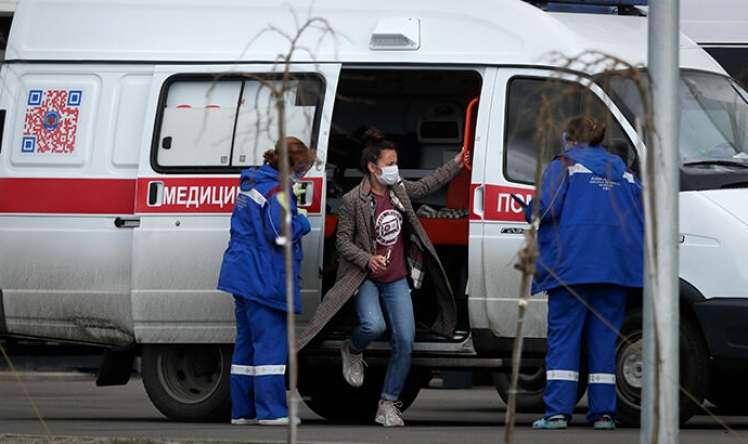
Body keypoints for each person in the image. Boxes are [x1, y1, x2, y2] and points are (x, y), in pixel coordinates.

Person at [297, 127, 464, 427]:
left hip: (397, 278)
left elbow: (426, 186)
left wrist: (455, 164)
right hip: (365, 278)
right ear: (373, 167)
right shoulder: (352, 201)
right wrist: (367, 259)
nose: (394, 169)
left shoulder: (399, 189)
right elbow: (343, 242)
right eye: (389, 164)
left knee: (405, 339)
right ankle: (353, 348)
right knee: (373, 325)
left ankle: (387, 403)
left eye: (396, 163)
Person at [526, 116, 644, 431]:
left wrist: (529, 208)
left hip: (571, 268)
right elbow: (643, 211)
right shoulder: (623, 171)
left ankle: (557, 413)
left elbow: (546, 208)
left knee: (565, 339)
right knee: (604, 340)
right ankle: (604, 414)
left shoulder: (564, 165)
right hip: (615, 269)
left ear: (570, 138)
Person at [217, 137, 315, 426]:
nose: (305, 172)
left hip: (242, 276)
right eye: (303, 166)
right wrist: (303, 223)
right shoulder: (278, 191)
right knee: (271, 347)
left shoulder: (252, 184)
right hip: (265, 279)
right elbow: (279, 232)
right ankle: (272, 412)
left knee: (246, 348)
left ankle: (243, 411)